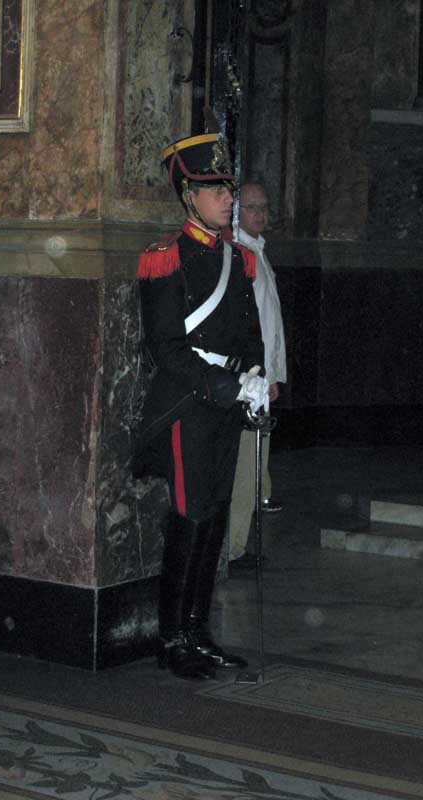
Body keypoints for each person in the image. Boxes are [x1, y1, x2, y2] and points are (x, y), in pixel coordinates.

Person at [133, 134, 269, 680]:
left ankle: (199, 631)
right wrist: (220, 384)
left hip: (227, 402)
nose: (227, 198)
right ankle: (173, 639)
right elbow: (163, 347)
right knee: (190, 517)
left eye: (228, 188)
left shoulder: (239, 259)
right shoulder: (166, 258)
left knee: (213, 518)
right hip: (189, 403)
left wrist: (255, 379)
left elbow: (250, 332)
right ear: (189, 194)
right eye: (215, 189)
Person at [228, 180, 287, 571]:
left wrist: (275, 375)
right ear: (236, 212)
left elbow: (271, 324)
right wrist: (258, 378)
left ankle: (237, 544)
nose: (260, 214)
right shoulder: (237, 255)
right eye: (251, 208)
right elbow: (245, 328)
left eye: (264, 207)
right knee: (243, 473)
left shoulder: (258, 250)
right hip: (248, 382)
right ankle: (230, 552)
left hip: (262, 382)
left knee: (254, 467)